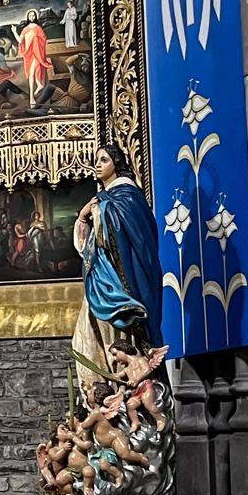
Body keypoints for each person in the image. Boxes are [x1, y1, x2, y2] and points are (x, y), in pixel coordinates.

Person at [73, 142, 164, 360]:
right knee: (85, 336)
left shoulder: (127, 194)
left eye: (104, 160)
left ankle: (126, 382)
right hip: (100, 275)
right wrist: (84, 216)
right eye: (96, 160)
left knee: (119, 329)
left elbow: (139, 235)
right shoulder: (104, 197)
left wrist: (99, 212)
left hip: (121, 278)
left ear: (117, 164)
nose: (98, 165)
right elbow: (87, 242)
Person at [13, 8, 52, 106]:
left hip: (36, 53)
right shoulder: (25, 29)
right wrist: (14, 32)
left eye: (33, 15)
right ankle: (38, 86)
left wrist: (35, 40)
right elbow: (20, 41)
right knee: (31, 74)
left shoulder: (37, 27)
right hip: (28, 54)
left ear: (35, 17)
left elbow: (43, 39)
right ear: (28, 17)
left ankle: (32, 97)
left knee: (31, 74)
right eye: (30, 16)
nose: (32, 17)